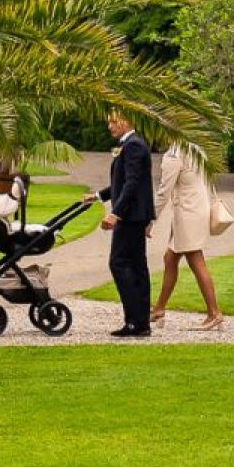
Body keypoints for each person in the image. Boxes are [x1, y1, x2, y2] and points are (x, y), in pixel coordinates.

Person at [85, 111, 155, 337]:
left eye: (113, 122)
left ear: (126, 121)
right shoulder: (131, 144)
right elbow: (120, 182)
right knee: (136, 266)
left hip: (131, 215)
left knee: (119, 263)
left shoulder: (133, 146)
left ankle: (135, 320)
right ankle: (139, 322)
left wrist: (115, 214)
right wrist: (97, 196)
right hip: (134, 214)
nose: (110, 127)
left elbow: (132, 183)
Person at [146, 139, 225, 332]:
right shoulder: (195, 148)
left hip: (188, 213)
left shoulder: (173, 155)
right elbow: (208, 182)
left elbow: (164, 191)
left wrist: (150, 219)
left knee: (196, 259)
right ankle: (159, 309)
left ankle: (214, 313)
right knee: (170, 258)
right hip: (197, 209)